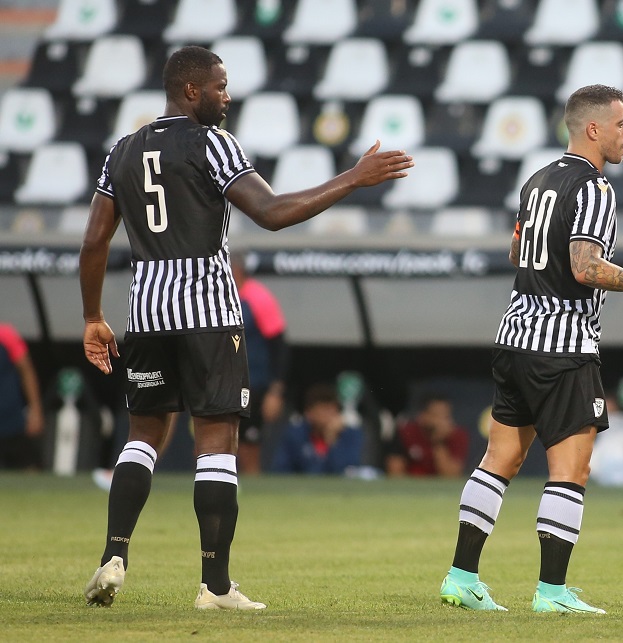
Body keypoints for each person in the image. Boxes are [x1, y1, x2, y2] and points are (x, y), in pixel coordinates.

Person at [79, 45, 412, 609]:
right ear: (191, 90)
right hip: (207, 311)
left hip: (147, 312)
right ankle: (214, 586)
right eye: (220, 86)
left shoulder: (124, 150)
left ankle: (114, 554)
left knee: (142, 436)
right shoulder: (213, 143)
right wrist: (353, 179)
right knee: (215, 443)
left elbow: (93, 242)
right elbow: (272, 212)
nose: (227, 97)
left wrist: (93, 316)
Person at [439, 84, 623, 614]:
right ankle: (552, 592)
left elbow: (518, 250)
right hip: (562, 346)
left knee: (498, 460)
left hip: (515, 335)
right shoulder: (595, 188)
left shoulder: (537, 179)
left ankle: (461, 577)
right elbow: (583, 268)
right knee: (571, 470)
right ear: (594, 129)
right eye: (622, 123)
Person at [231, 252, 288, 474]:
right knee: (211, 442)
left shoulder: (258, 297)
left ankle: (251, 488)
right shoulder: (217, 296)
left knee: (249, 445)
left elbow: (279, 347)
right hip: (222, 382)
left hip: (253, 384)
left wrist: (276, 391)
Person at [271, 383, 363, 475]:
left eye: (333, 410)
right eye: (324, 410)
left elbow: (347, 470)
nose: (330, 415)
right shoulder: (296, 435)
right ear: (309, 413)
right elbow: (280, 470)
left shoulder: (350, 434)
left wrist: (332, 440)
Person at [385, 394, 469, 477]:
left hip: (439, 484)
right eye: (436, 415)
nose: (441, 422)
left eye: (445, 416)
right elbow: (395, 472)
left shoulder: (457, 435)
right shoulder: (406, 432)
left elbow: (451, 475)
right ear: (422, 415)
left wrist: (439, 442)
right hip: (411, 483)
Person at [0, 323, 44, 470]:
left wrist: (35, 411)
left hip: (11, 421)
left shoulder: (6, 335)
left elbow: (27, 371)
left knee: (28, 468)